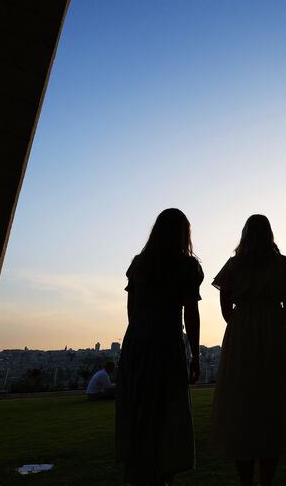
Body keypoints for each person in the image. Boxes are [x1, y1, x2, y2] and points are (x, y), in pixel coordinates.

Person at [210, 214, 286, 486]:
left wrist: (242, 323)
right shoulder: (281, 264)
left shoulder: (234, 265)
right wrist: (273, 322)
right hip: (274, 331)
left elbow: (225, 306)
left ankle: (246, 481)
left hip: (241, 331)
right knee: (272, 402)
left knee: (241, 402)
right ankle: (266, 480)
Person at [115, 208, 204, 486]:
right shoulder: (187, 266)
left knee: (140, 409)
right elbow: (191, 314)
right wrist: (195, 354)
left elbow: (131, 310)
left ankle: (141, 469)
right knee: (168, 411)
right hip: (167, 343)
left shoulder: (140, 264)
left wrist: (139, 336)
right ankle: (164, 472)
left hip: (138, 342)